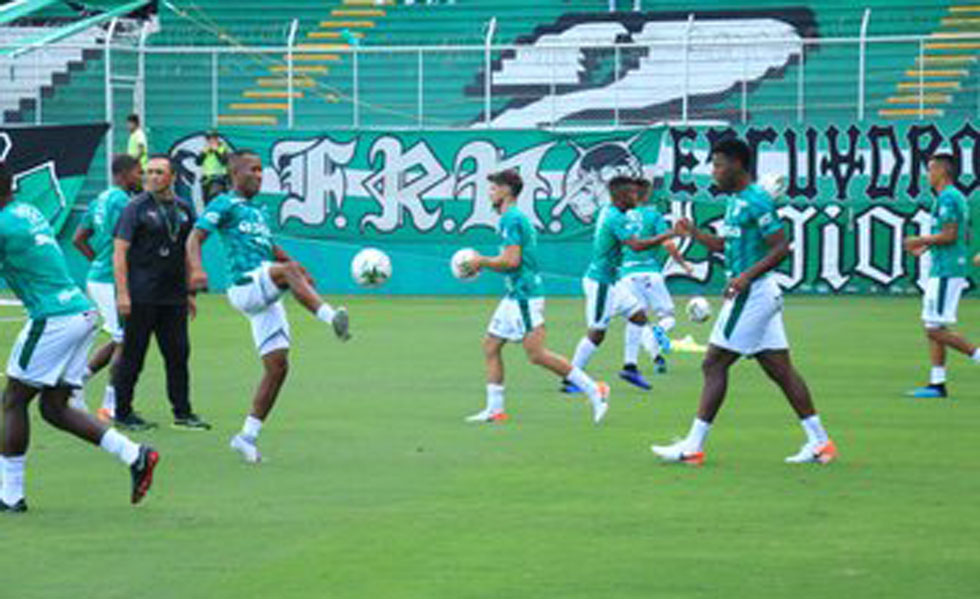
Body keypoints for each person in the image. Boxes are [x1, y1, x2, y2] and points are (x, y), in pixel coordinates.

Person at [650, 138, 836, 466]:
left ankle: (693, 445)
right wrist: (693, 233)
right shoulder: (737, 202)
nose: (714, 172)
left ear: (738, 164)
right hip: (757, 292)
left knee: (714, 364)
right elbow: (725, 244)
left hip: (754, 294)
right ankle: (821, 442)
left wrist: (746, 276)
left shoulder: (757, 202)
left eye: (719, 164)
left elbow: (781, 247)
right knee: (780, 370)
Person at [0, 161, 158, 513]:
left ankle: (10, 495)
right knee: (54, 408)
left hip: (53, 317)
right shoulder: (24, 210)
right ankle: (135, 454)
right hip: (79, 312)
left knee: (13, 400)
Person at [186, 150, 351, 464]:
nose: (260, 175)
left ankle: (246, 437)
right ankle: (332, 319)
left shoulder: (258, 212)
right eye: (254, 170)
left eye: (262, 170)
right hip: (244, 285)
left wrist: (296, 266)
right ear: (236, 174)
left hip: (264, 291)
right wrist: (196, 269)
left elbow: (270, 248)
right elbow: (194, 238)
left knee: (277, 368)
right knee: (287, 273)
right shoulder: (224, 203)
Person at [463, 169, 610, 424]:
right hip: (514, 295)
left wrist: (481, 261)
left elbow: (511, 260)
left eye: (494, 187)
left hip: (524, 296)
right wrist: (483, 262)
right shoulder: (511, 218)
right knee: (490, 346)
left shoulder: (512, 219)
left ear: (507, 190)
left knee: (537, 354)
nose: (491, 192)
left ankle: (593, 389)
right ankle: (495, 409)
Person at [113, 155, 210, 431]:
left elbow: (188, 251)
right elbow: (120, 252)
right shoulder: (135, 208)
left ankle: (183, 412)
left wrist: (191, 291)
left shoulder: (183, 209)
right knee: (133, 355)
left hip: (174, 297)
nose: (152, 177)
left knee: (178, 354)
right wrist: (122, 294)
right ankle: (123, 412)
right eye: (148, 172)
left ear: (172, 178)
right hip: (141, 295)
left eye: (159, 172)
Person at [562, 176, 670, 393]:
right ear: (620, 196)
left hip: (613, 280)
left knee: (638, 316)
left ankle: (630, 367)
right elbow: (637, 245)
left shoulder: (611, 211)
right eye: (631, 193)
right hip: (601, 282)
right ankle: (572, 378)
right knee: (597, 333)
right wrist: (669, 234)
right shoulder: (614, 218)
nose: (635, 196)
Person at [72, 154, 142, 421]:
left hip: (99, 277)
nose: (141, 177)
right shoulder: (123, 202)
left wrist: (97, 262)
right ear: (124, 174)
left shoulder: (99, 199)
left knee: (119, 338)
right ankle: (110, 403)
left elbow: (79, 239)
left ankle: (78, 380)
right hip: (110, 280)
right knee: (125, 341)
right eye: (138, 172)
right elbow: (125, 240)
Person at [903, 153, 980, 398]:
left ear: (941, 172)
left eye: (930, 170)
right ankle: (937, 383)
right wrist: (925, 247)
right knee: (934, 324)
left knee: (934, 330)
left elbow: (950, 235)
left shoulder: (948, 197)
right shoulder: (949, 197)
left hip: (948, 269)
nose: (927, 175)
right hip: (944, 266)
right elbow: (950, 233)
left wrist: (920, 239)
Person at [617, 176, 692, 388]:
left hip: (627, 276)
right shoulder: (653, 215)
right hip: (651, 273)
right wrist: (683, 264)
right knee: (668, 318)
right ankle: (660, 334)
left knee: (637, 322)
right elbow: (668, 245)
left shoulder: (620, 216)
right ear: (647, 194)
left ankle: (656, 358)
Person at [196, 130, 230, 205]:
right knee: (206, 202)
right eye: (208, 139)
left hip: (218, 179)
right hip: (206, 180)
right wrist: (204, 152)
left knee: (215, 199)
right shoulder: (205, 149)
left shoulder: (223, 148)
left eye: (212, 138)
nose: (210, 141)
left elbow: (224, 161)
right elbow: (198, 162)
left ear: (217, 139)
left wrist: (216, 150)